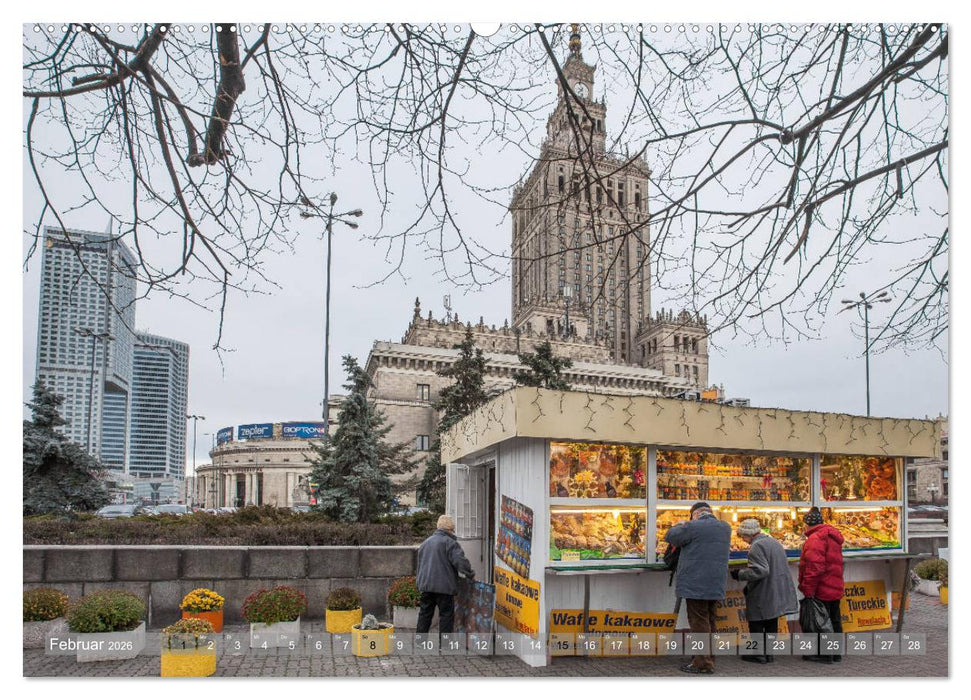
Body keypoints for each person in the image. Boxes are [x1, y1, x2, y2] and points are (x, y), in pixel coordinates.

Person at [664, 501, 732, 674]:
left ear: (695, 514)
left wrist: (681, 524)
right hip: (716, 582)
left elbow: (671, 536)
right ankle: (709, 656)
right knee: (710, 620)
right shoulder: (725, 527)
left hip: (696, 582)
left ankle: (702, 663)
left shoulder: (693, 526)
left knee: (699, 622)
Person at [731, 519, 799, 663]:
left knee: (756, 621)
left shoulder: (756, 546)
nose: (743, 540)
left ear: (748, 534)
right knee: (771, 620)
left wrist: (740, 574)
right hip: (776, 587)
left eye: (742, 536)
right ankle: (769, 653)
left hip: (763, 589)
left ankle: (758, 653)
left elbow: (760, 570)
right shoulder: (774, 542)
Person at [797, 507, 845, 664]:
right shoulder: (832, 535)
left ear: (807, 525)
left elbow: (814, 568)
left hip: (822, 587)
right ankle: (836, 653)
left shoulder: (815, 539)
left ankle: (824, 654)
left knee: (821, 622)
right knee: (834, 619)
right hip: (835, 584)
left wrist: (808, 590)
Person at [415, 514, 475, 635]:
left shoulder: (426, 542)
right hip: (444, 587)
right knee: (446, 615)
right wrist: (470, 574)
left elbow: (420, 565)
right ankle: (445, 646)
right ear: (450, 530)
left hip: (426, 585)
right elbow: (460, 562)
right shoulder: (450, 542)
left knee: (425, 613)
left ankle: (420, 642)